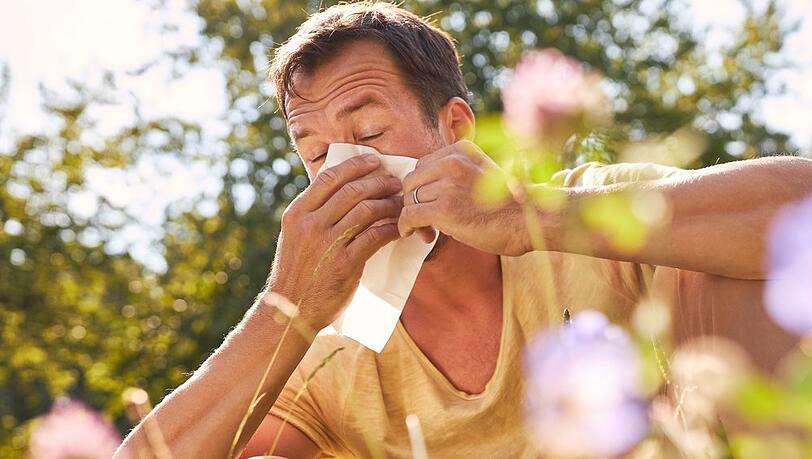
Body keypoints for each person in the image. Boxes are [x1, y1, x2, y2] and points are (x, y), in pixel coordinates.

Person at [117, 2, 812, 458]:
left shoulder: (580, 216)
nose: (345, 170)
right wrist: (286, 306)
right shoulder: (329, 355)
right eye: (317, 154)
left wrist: (526, 216)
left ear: (454, 129)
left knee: (722, 257)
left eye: (369, 130)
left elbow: (799, 211)